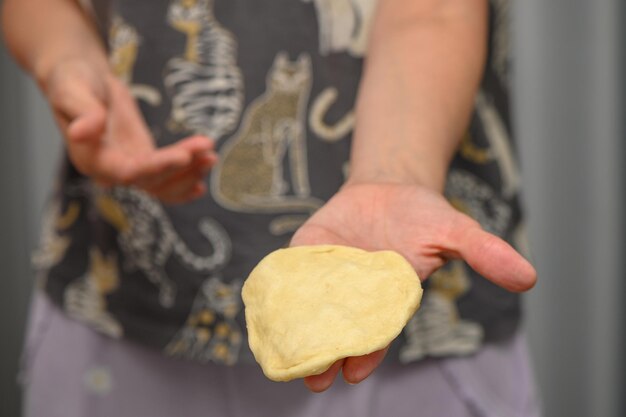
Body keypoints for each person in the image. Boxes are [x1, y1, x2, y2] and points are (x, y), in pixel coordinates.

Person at [2, 0, 540, 416]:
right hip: (119, 286)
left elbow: (433, 9)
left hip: (421, 313)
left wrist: (392, 173)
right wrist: (67, 63)